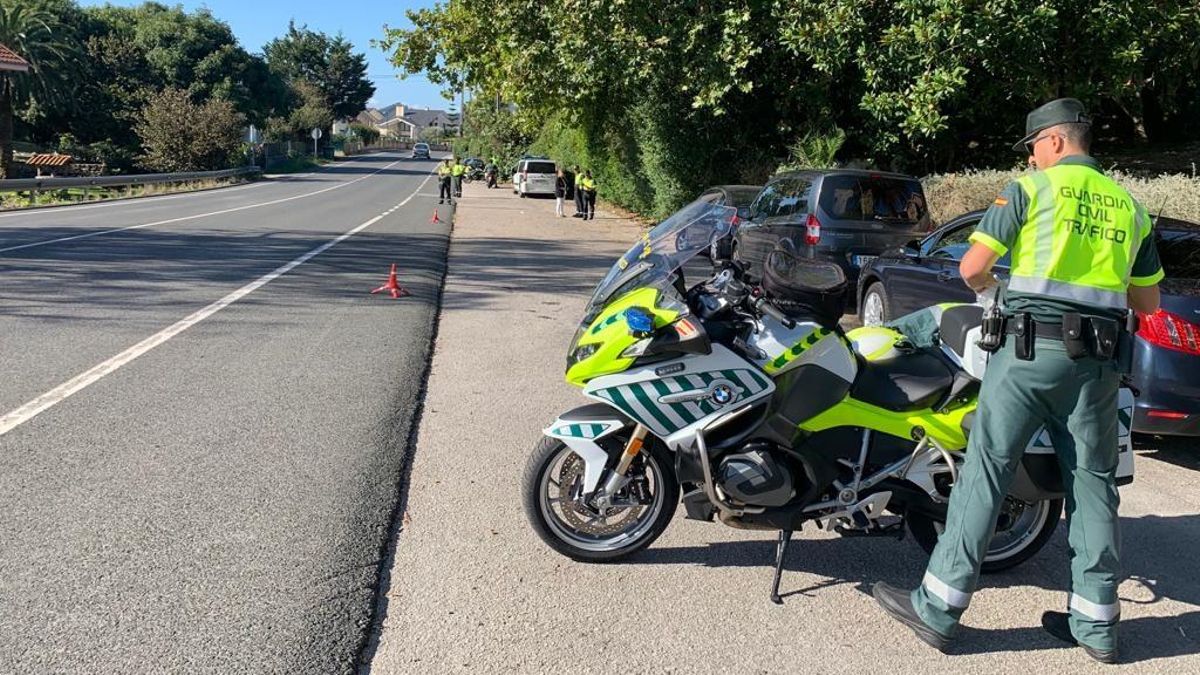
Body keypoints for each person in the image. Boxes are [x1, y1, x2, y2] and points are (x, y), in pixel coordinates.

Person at [871, 98, 1163, 665]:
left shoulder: (1030, 191)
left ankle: (939, 607)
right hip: (1097, 365)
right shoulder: (1131, 207)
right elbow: (1147, 301)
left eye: (1032, 147)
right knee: (1092, 484)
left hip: (1028, 353)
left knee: (986, 471)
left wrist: (997, 298)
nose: (1030, 158)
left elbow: (972, 268)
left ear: (1053, 141)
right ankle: (1096, 626)